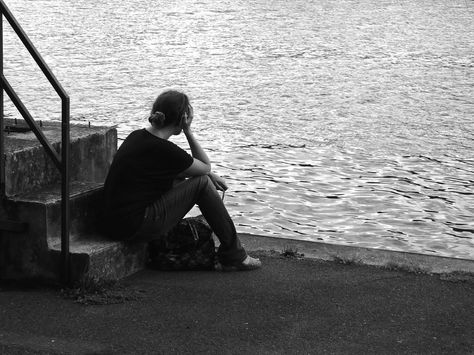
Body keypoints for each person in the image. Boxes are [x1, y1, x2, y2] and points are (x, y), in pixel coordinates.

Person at [102, 90, 261, 271]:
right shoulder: (166, 150)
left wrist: (206, 174)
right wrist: (188, 131)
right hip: (135, 225)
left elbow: (171, 170)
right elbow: (204, 166)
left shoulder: (136, 136)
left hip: (113, 223)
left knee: (199, 179)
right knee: (201, 183)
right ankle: (235, 255)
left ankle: (233, 252)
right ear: (183, 118)